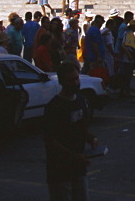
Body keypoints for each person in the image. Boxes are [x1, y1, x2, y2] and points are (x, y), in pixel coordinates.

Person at [43, 61, 97, 201]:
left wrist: (92, 139)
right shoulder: (54, 107)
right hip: (60, 170)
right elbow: (50, 141)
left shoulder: (80, 100)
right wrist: (73, 156)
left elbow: (82, 127)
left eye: (77, 78)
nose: (75, 83)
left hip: (78, 168)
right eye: (71, 80)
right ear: (61, 81)